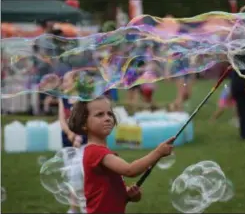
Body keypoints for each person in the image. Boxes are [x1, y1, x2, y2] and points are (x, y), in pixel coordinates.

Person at [68, 95, 175, 213]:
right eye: (100, 114)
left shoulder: (102, 151)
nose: (107, 118)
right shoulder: (95, 152)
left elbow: (113, 189)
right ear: (84, 123)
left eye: (109, 113)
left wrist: (130, 194)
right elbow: (130, 170)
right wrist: (158, 152)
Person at [58, 71, 87, 213]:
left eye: (66, 80)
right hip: (67, 142)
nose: (63, 83)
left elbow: (85, 120)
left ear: (75, 82)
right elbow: (62, 120)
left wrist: (78, 136)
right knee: (70, 176)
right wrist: (70, 134)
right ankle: (73, 208)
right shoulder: (63, 99)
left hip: (82, 142)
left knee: (81, 175)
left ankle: (84, 206)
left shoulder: (83, 100)